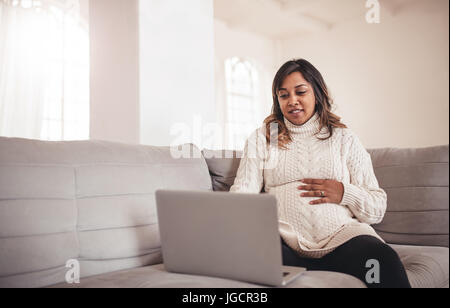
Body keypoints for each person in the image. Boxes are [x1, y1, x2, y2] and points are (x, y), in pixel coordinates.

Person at [229, 59, 411, 288]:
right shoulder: (263, 137)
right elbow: (242, 195)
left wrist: (345, 192)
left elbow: (377, 208)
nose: (292, 101)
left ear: (317, 93)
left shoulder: (344, 138)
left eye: (300, 92)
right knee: (249, 255)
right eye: (283, 95)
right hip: (284, 243)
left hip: (342, 239)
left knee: (381, 259)